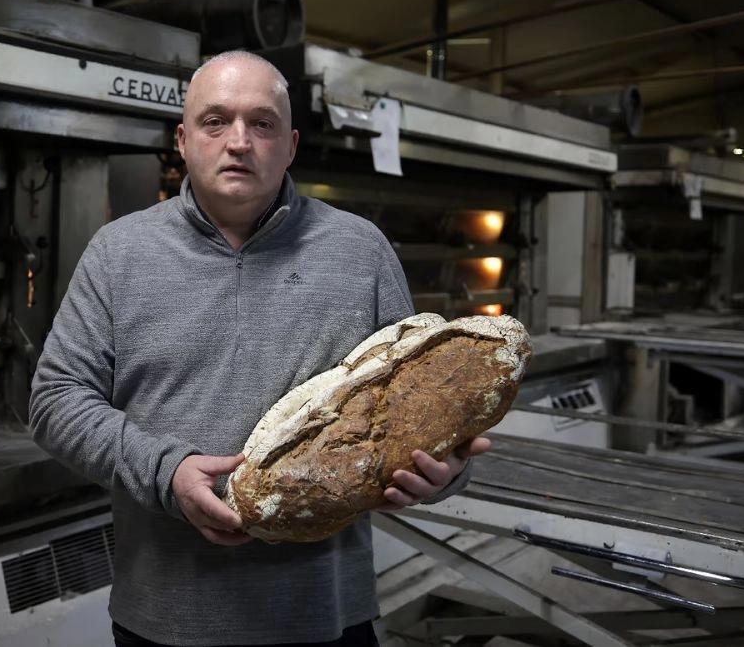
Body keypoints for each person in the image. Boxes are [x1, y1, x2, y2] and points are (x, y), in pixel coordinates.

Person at [28, 50, 490, 647]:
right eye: (215, 121)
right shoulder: (120, 254)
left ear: (291, 144)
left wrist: (443, 473)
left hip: (324, 618)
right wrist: (165, 473)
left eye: (262, 123)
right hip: (168, 619)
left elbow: (415, 401)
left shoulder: (359, 252)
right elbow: (56, 400)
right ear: (183, 139)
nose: (239, 141)